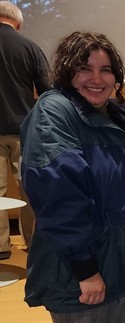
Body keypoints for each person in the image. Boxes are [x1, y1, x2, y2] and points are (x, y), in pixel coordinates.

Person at [20, 31, 125, 322]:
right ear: (66, 71)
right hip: (81, 277)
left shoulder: (120, 117)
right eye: (84, 69)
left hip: (120, 268)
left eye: (105, 70)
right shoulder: (55, 111)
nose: (96, 79)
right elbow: (59, 198)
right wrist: (86, 270)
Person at [0, 1, 49, 258]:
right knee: (30, 189)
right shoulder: (29, 47)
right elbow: (47, 91)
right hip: (24, 130)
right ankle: (35, 244)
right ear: (17, 22)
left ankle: (0, 248)